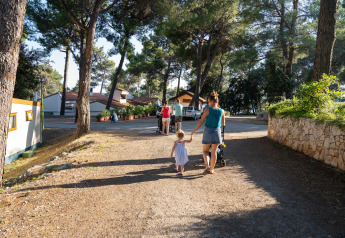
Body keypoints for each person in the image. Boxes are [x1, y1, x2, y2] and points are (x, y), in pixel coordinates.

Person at [191, 92, 225, 174]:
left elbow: (201, 122)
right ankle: (212, 169)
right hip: (217, 131)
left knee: (205, 151)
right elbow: (223, 124)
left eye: (209, 101)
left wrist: (194, 131)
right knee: (214, 152)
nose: (208, 103)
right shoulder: (222, 111)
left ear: (212, 101)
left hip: (208, 131)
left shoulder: (207, 110)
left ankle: (207, 166)